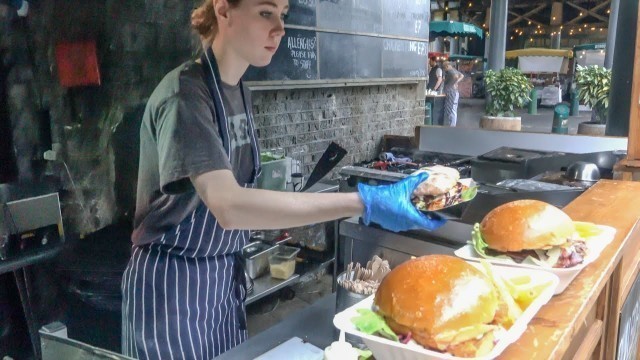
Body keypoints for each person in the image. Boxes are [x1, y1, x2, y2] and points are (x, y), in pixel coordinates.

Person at [120, 0, 445, 359]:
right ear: (223, 10)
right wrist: (363, 201)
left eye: (283, 15)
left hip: (220, 280)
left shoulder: (238, 90)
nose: (280, 28)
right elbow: (228, 206)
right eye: (265, 12)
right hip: (173, 288)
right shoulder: (186, 95)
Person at [442, 61, 464, 127]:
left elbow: (456, 76)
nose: (444, 69)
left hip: (451, 93)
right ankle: (452, 124)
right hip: (454, 92)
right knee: (453, 109)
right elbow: (462, 75)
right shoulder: (454, 70)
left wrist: (455, 82)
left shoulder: (451, 71)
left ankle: (452, 125)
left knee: (451, 109)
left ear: (447, 66)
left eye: (444, 68)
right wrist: (456, 82)